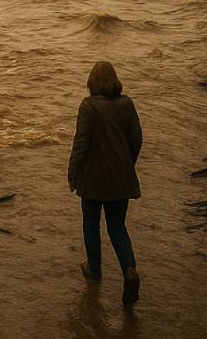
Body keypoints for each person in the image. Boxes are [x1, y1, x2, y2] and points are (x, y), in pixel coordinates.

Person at [68, 60, 143, 306]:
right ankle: (129, 270)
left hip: (93, 179)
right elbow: (137, 140)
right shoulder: (127, 103)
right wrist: (127, 165)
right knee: (117, 227)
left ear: (92, 82)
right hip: (120, 179)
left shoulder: (88, 106)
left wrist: (73, 173)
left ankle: (94, 269)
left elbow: (81, 144)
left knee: (91, 224)